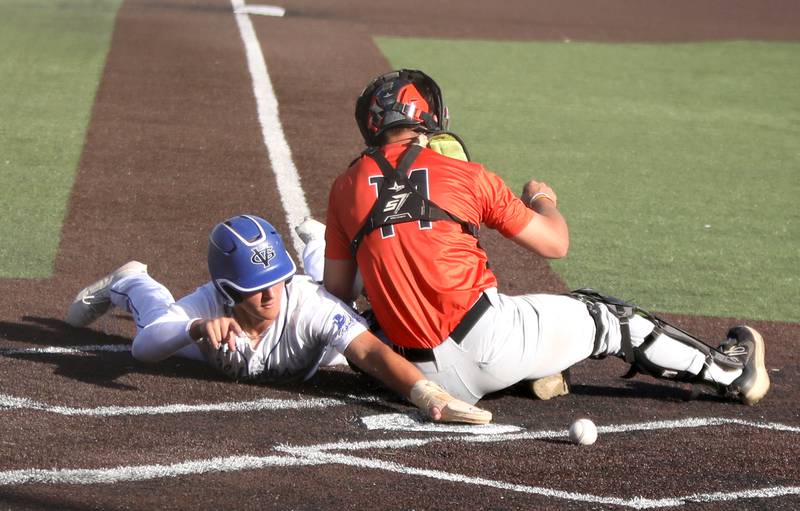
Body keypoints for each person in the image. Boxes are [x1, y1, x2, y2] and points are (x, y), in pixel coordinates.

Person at [321, 69, 770, 407]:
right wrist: (541, 199)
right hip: (491, 345)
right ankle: (731, 373)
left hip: (408, 375)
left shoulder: (342, 189)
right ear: (427, 115)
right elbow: (556, 244)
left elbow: (338, 298)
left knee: (368, 319)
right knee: (609, 317)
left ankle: (530, 370)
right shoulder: (467, 174)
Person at [64, 214, 492, 424]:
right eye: (257, 287)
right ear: (228, 292)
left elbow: (370, 353)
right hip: (210, 338)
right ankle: (131, 279)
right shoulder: (209, 307)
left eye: (278, 280)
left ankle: (317, 241)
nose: (272, 293)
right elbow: (145, 348)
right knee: (155, 316)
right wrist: (194, 329)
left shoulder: (307, 304)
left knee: (333, 283)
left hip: (312, 348)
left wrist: (427, 396)